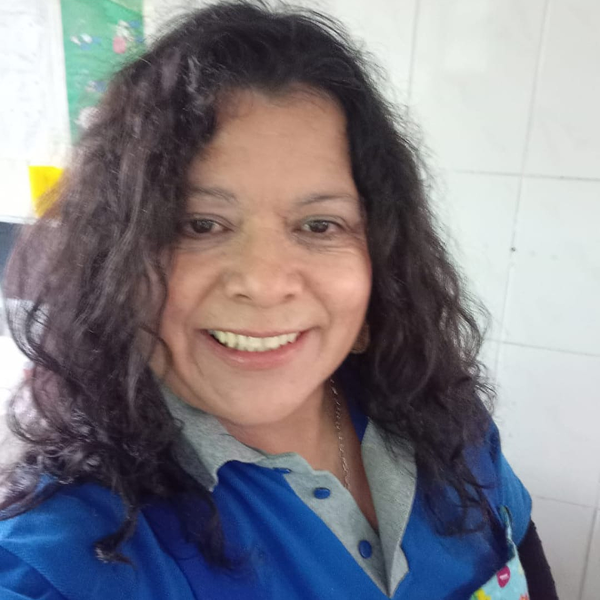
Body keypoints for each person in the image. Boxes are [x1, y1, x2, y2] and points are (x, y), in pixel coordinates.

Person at [0, 2, 558, 598]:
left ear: (382, 258)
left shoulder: (449, 424)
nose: (264, 283)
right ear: (118, 260)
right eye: (200, 224)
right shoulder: (63, 562)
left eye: (319, 225)